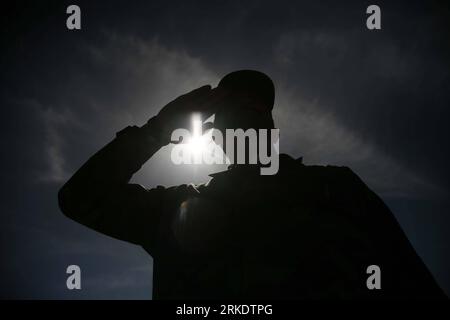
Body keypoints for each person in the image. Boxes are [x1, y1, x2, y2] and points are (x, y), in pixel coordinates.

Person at [58, 70, 445, 299]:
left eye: (258, 110)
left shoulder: (335, 188)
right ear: (216, 134)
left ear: (272, 127)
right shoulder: (176, 212)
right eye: (235, 111)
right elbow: (81, 197)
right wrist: (158, 129)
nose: (249, 120)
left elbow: (410, 281)